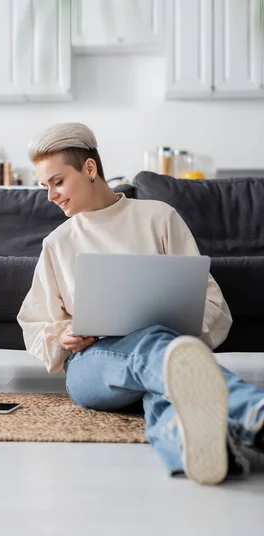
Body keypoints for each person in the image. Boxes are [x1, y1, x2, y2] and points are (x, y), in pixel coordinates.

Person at [17, 122, 264, 485]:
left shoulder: (158, 218)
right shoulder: (58, 243)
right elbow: (35, 323)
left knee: (163, 381)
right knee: (160, 351)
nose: (51, 195)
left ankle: (204, 445)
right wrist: (63, 337)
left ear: (89, 169)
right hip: (92, 367)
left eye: (57, 182)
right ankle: (251, 409)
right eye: (45, 187)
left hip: (166, 355)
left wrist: (176, 338)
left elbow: (211, 302)